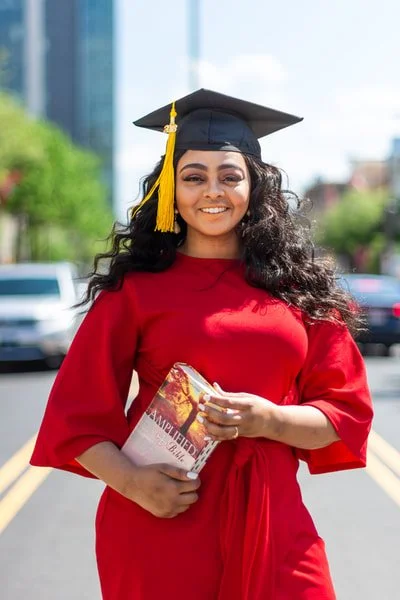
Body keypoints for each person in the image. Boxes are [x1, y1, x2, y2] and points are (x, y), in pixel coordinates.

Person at [31, 89, 373, 600]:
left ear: (255, 185)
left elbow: (344, 414)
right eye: (193, 177)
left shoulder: (302, 292)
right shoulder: (135, 294)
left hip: (274, 520)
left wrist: (266, 419)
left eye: (230, 176)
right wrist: (132, 483)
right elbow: (74, 422)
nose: (212, 191)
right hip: (161, 518)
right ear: (171, 188)